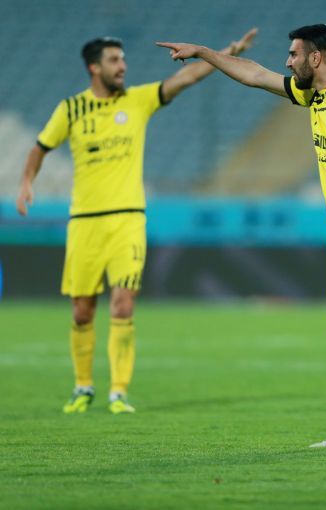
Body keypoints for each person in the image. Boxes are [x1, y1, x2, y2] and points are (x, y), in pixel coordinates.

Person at [157, 24, 326, 449]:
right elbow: (254, 74)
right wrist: (204, 51)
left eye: (294, 54)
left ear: (316, 57)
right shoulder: (315, 95)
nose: (287, 61)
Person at [16, 28, 259, 414]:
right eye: (114, 60)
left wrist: (224, 53)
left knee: (123, 304)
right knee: (82, 310)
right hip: (85, 222)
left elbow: (184, 78)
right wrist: (27, 182)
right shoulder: (71, 109)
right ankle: (83, 387)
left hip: (128, 218)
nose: (123, 66)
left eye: (123, 59)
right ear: (94, 67)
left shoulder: (138, 100)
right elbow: (40, 147)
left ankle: (118, 392)